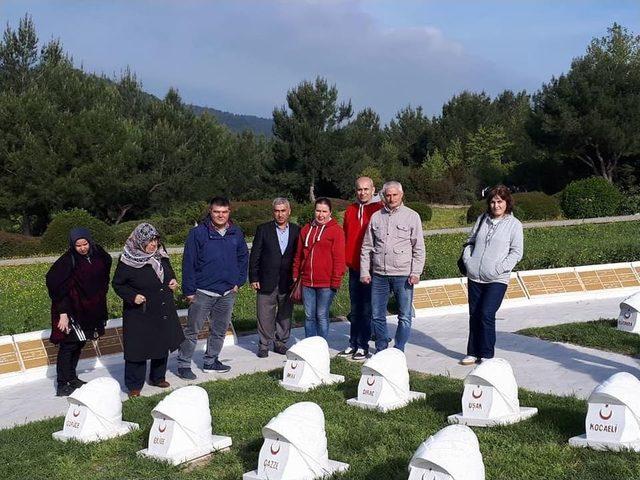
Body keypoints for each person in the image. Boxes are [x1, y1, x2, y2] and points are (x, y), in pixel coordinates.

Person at [177, 196, 249, 378]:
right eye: (217, 212)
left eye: (224, 212)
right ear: (210, 212)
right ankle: (184, 364)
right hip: (202, 292)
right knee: (192, 330)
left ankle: (211, 361)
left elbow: (243, 257)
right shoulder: (198, 233)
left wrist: (238, 282)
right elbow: (189, 263)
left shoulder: (236, 232)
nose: (220, 215)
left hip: (227, 292)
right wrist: (189, 291)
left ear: (229, 212)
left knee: (219, 330)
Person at [112, 223, 184, 398]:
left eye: (155, 240)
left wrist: (172, 281)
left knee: (161, 343)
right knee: (138, 348)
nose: (153, 244)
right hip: (140, 311)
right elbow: (118, 284)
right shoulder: (128, 260)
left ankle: (157, 377)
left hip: (162, 307)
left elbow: (168, 273)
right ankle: (134, 385)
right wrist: (132, 296)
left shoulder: (160, 255)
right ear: (139, 241)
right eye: (149, 241)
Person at [460, 185, 523, 365]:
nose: (496, 206)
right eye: (493, 202)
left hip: (497, 278)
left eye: (500, 202)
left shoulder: (514, 225)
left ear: (507, 203)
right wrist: (468, 261)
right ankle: (472, 352)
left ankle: (487, 355)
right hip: (475, 276)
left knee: (486, 313)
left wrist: (499, 268)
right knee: (474, 314)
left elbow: (516, 252)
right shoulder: (482, 220)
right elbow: (469, 242)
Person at [360, 181, 425, 352]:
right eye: (388, 195)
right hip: (379, 274)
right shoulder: (376, 217)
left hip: (403, 275)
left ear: (401, 195)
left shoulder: (412, 216)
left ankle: (398, 349)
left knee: (404, 315)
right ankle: (381, 348)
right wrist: (364, 271)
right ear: (383, 196)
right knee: (377, 315)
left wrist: (416, 272)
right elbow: (367, 247)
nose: (391, 198)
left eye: (395, 194)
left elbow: (418, 247)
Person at [46, 228, 112, 396]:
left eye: (85, 244)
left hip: (89, 310)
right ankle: (62, 383)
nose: (82, 248)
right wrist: (63, 313)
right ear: (72, 245)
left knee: (80, 343)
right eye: (78, 245)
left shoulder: (98, 254)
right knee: (68, 345)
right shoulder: (68, 260)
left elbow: (105, 272)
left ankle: (72, 378)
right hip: (71, 310)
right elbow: (56, 285)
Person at [338, 177, 383, 361]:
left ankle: (363, 346)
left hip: (371, 267)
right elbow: (346, 235)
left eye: (366, 189)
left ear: (373, 189)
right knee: (355, 307)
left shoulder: (379, 209)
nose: (362, 193)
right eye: (359, 189)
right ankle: (353, 343)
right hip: (354, 266)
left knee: (366, 308)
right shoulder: (350, 210)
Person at [249, 198, 300, 358]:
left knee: (285, 314)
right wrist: (254, 277)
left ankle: (280, 343)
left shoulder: (297, 230)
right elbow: (255, 255)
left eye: (283, 210)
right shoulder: (263, 229)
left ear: (289, 211)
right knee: (264, 314)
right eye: (277, 211)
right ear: (273, 212)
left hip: (287, 281)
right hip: (266, 279)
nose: (280, 214)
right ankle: (264, 344)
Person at [293, 197, 346, 339]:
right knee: (309, 315)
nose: (320, 215)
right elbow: (298, 255)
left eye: (324, 211)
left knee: (321, 315)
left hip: (326, 283)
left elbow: (339, 259)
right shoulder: (306, 229)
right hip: (307, 282)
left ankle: (321, 345)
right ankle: (310, 344)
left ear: (330, 213)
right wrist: (295, 274)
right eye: (318, 211)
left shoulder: (336, 231)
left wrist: (336, 281)